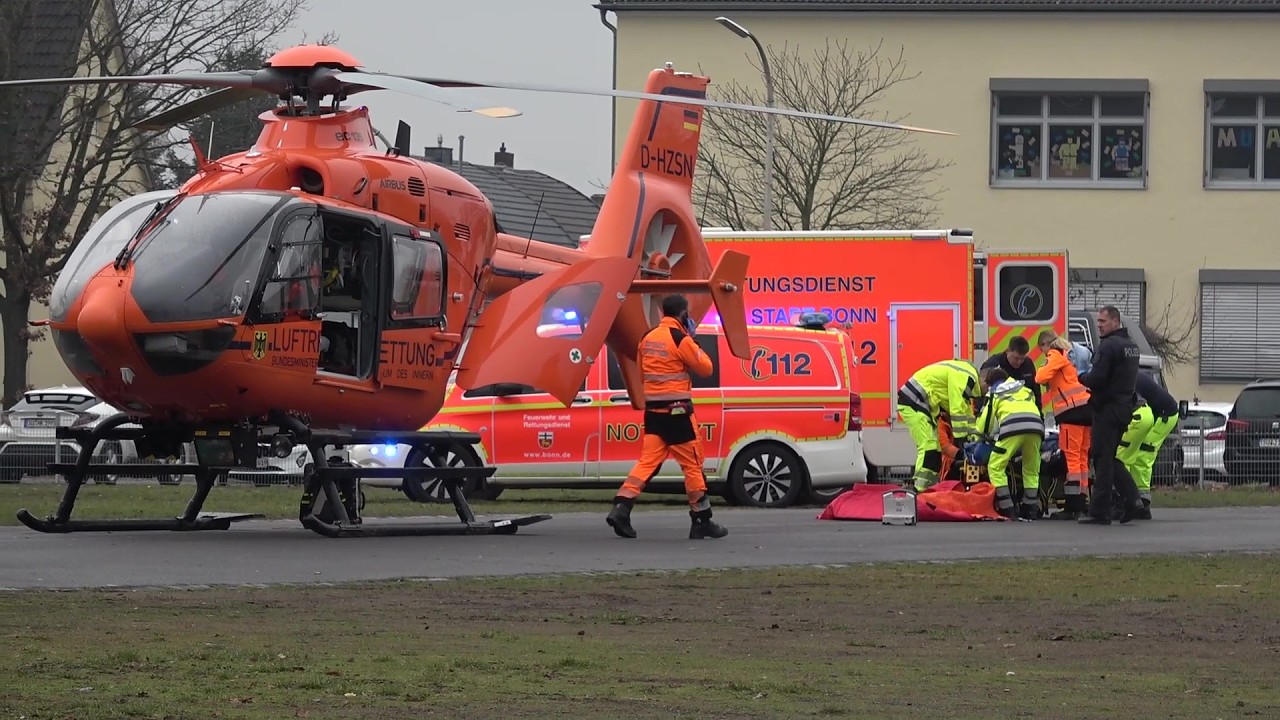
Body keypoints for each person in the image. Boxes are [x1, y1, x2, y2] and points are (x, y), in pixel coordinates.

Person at [606, 294, 728, 540]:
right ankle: (702, 520)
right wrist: (693, 341)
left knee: (647, 463)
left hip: (654, 414)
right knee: (692, 466)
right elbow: (706, 368)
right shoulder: (680, 338)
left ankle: (621, 506)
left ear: (663, 312)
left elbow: (642, 373)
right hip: (678, 415)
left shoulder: (647, 338)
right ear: (683, 314)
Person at [1077, 305, 1145, 525]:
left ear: (1115, 322)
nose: (1099, 326)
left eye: (1103, 322)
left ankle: (1100, 512)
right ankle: (1133, 500)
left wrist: (1082, 377)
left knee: (1101, 459)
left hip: (1106, 409)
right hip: (1123, 408)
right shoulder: (1131, 346)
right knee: (1111, 458)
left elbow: (1097, 378)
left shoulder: (1109, 346)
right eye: (1098, 322)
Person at [897, 359, 985, 491]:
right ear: (984, 381)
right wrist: (963, 442)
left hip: (919, 402)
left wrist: (974, 441)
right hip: (915, 401)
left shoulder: (966, 379)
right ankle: (918, 490)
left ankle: (927, 488)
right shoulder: (968, 377)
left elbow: (967, 416)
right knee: (929, 448)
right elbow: (957, 409)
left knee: (934, 451)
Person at [1036, 331, 1093, 519]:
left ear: (1045, 344)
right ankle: (1083, 499)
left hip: (1071, 412)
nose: (1044, 354)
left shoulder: (1055, 353)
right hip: (1087, 409)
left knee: (1072, 457)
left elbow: (1040, 377)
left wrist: (1047, 366)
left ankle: (1073, 505)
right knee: (1083, 456)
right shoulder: (1071, 355)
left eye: (1042, 350)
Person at [976, 367, 1046, 520]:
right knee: (1031, 468)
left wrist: (981, 435)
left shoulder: (995, 392)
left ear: (991, 383)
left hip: (1012, 428)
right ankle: (1030, 508)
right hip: (1036, 428)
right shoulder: (1025, 389)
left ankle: (1007, 508)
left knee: (995, 466)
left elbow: (985, 425)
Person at [1118, 372, 1179, 519]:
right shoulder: (1132, 375)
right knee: (1137, 454)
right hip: (1159, 413)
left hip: (1164, 415)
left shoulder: (1127, 379)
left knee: (1143, 455)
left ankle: (1141, 502)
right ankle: (1140, 500)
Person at [980, 336, 1042, 409]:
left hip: (1024, 409)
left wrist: (1039, 415)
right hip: (1000, 411)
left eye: (1022, 359)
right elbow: (982, 390)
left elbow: (1036, 392)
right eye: (1016, 358)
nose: (1019, 362)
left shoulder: (1028, 364)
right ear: (1007, 351)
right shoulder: (993, 364)